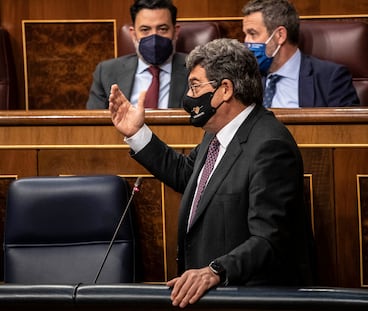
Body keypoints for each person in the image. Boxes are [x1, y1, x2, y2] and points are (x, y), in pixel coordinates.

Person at [109, 38, 315, 307]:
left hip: (250, 299)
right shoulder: (218, 133)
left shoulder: (270, 146)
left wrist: (216, 270)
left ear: (225, 89)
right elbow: (187, 175)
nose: (189, 96)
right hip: (212, 296)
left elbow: (270, 239)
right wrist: (137, 134)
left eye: (195, 86)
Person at [242, 0, 360, 108]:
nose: (246, 41)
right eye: (246, 34)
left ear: (280, 35)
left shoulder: (330, 78)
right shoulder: (246, 77)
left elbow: (346, 130)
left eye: (253, 34)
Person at [86, 0, 188, 109]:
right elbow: (94, 123)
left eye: (162, 29)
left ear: (175, 32)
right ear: (133, 34)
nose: (154, 37)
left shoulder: (195, 69)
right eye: (145, 30)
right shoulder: (106, 72)